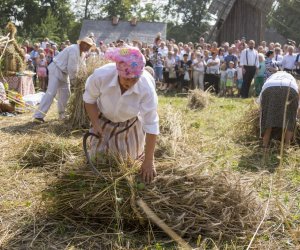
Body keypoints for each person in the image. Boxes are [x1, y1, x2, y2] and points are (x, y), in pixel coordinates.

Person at [83, 46, 159, 183]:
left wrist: (149, 161)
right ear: (118, 71)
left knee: (129, 161)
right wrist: (95, 124)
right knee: (99, 160)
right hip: (103, 120)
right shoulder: (101, 76)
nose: (130, 83)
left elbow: (151, 123)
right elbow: (89, 100)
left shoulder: (146, 87)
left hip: (129, 124)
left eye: (134, 79)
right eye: (126, 79)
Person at [33, 37, 94, 122]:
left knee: (66, 94)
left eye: (90, 46)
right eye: (87, 46)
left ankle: (62, 115)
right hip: (56, 69)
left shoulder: (83, 54)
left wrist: (85, 76)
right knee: (51, 92)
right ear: (82, 44)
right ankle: (38, 116)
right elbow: (72, 68)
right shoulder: (73, 49)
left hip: (64, 73)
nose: (88, 48)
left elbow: (82, 66)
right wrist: (75, 82)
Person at [258, 71, 299, 152]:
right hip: (290, 88)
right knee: (290, 118)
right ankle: (287, 146)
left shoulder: (270, 78)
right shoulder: (292, 79)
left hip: (269, 87)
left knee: (267, 117)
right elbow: (298, 108)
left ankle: (265, 146)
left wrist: (264, 112)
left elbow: (260, 103)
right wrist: (296, 116)